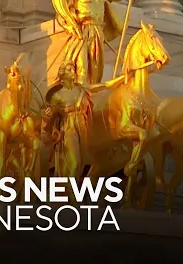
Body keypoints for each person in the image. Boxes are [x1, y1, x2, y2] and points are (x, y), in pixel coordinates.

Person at [42, 60, 124, 202]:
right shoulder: (57, 96)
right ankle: (73, 197)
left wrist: (124, 77)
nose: (73, 72)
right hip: (69, 128)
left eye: (73, 69)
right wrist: (48, 116)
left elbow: (105, 85)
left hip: (82, 127)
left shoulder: (82, 89)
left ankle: (69, 192)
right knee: (74, 162)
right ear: (62, 74)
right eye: (69, 70)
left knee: (80, 163)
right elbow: (51, 118)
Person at [48, 0, 137, 85]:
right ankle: (80, 91)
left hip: (97, 32)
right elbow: (61, 15)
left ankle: (91, 92)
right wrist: (70, 26)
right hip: (82, 33)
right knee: (81, 66)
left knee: (96, 70)